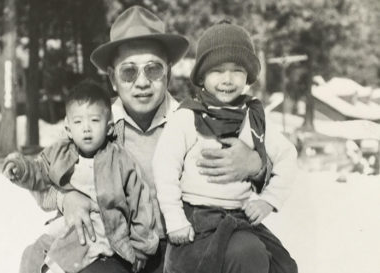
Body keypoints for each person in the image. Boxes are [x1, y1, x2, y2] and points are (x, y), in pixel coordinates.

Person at [28, 6, 290, 273]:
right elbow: (39, 175)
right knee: (42, 261)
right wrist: (67, 198)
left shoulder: (193, 120)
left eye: (153, 70)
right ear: (113, 79)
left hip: (181, 242)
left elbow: (262, 160)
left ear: (168, 72)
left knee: (246, 252)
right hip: (116, 248)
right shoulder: (93, 123)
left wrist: (256, 164)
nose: (142, 82)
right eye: (129, 72)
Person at [153, 21, 298, 273]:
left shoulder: (253, 118)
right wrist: (174, 218)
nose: (228, 79)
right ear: (202, 76)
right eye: (217, 70)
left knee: (281, 265)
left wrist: (268, 200)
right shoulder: (188, 116)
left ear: (248, 75)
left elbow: (287, 156)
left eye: (237, 70)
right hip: (196, 218)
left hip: (238, 217)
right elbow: (165, 166)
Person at [2, 80, 158, 273]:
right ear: (68, 129)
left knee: (64, 256)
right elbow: (39, 171)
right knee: (31, 255)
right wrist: (21, 168)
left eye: (94, 120)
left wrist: (141, 247)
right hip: (67, 226)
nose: (86, 128)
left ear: (109, 127)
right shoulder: (60, 153)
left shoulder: (119, 159)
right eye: (78, 121)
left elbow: (139, 202)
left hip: (103, 232)